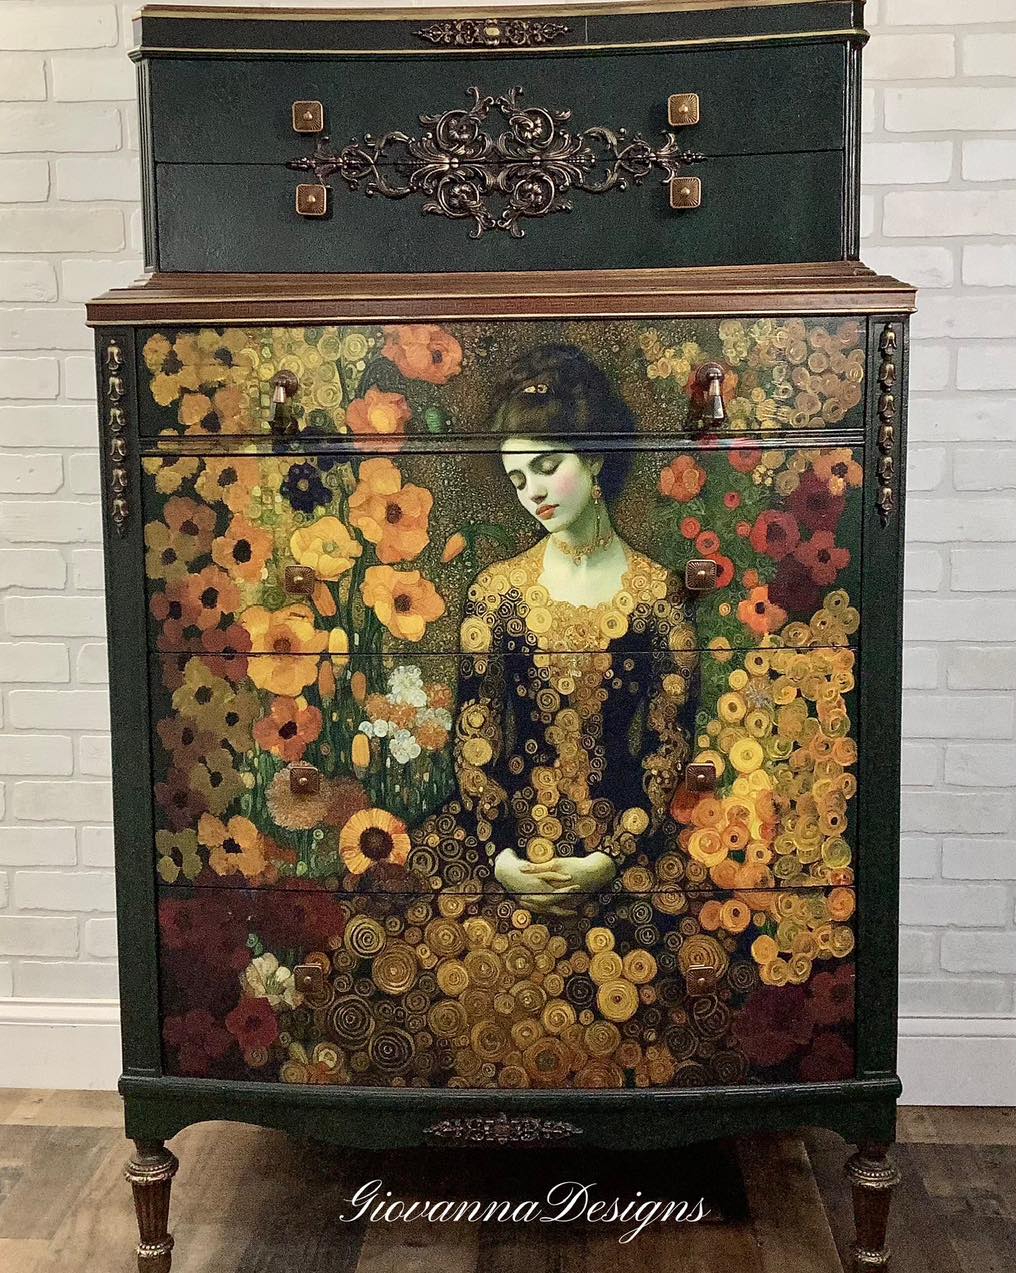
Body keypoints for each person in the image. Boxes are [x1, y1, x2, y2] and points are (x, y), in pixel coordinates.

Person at [409, 343, 700, 917]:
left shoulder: (659, 594)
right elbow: (475, 739)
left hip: (622, 844)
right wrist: (501, 859)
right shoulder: (497, 592)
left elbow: (669, 745)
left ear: (593, 457)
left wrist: (607, 860)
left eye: (546, 468)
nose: (533, 493)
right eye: (518, 478)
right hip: (508, 845)